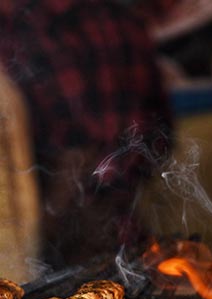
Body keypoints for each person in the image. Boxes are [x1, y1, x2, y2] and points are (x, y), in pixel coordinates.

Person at [0, 0, 173, 271]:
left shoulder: (26, 27)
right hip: (128, 247)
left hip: (54, 260)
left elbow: (81, 154)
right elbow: (158, 137)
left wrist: (54, 216)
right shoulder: (123, 18)